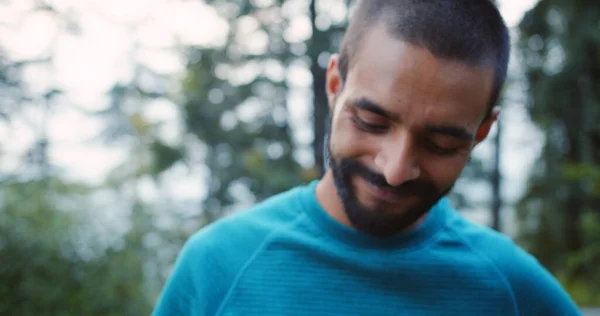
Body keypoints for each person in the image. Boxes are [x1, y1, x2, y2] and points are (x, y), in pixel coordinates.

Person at [153, 0, 581, 315]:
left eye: (441, 144)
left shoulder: (510, 288)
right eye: (372, 121)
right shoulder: (218, 266)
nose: (395, 171)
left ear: (483, 131)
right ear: (335, 84)